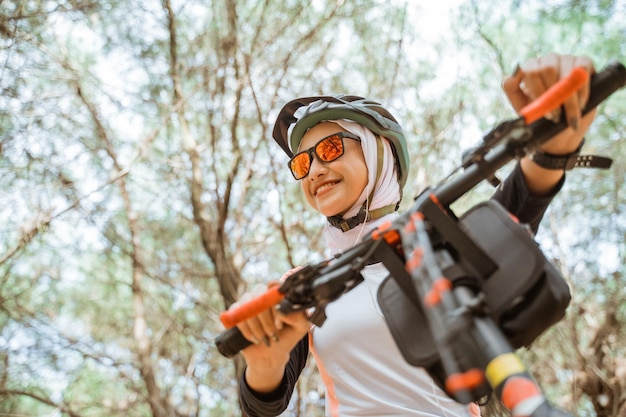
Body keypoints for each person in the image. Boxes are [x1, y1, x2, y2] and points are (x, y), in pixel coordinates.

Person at [230, 53, 597, 417]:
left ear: (379, 154)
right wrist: (264, 366)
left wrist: (554, 140)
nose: (314, 171)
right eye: (302, 162)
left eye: (330, 148)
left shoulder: (437, 245)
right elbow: (262, 404)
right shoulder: (304, 287)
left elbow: (519, 202)